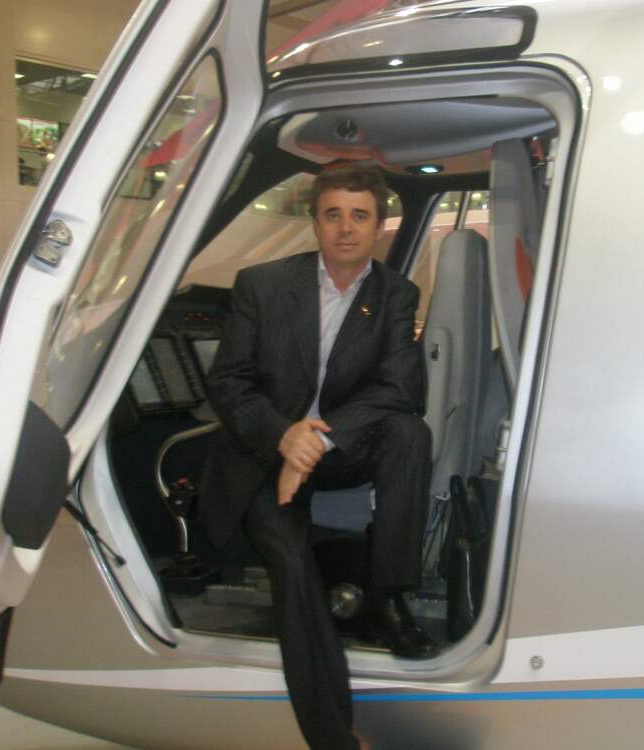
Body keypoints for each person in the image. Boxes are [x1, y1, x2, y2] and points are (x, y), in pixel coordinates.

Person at [201, 163, 435, 750]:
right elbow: (228, 383)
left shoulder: (394, 295)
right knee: (292, 566)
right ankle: (332, 737)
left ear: (378, 226)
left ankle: (388, 597)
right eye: (333, 215)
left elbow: (402, 389)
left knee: (408, 432)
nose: (346, 228)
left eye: (359, 216)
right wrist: (284, 437)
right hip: (262, 456)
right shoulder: (262, 285)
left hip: (336, 451)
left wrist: (315, 444)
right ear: (315, 222)